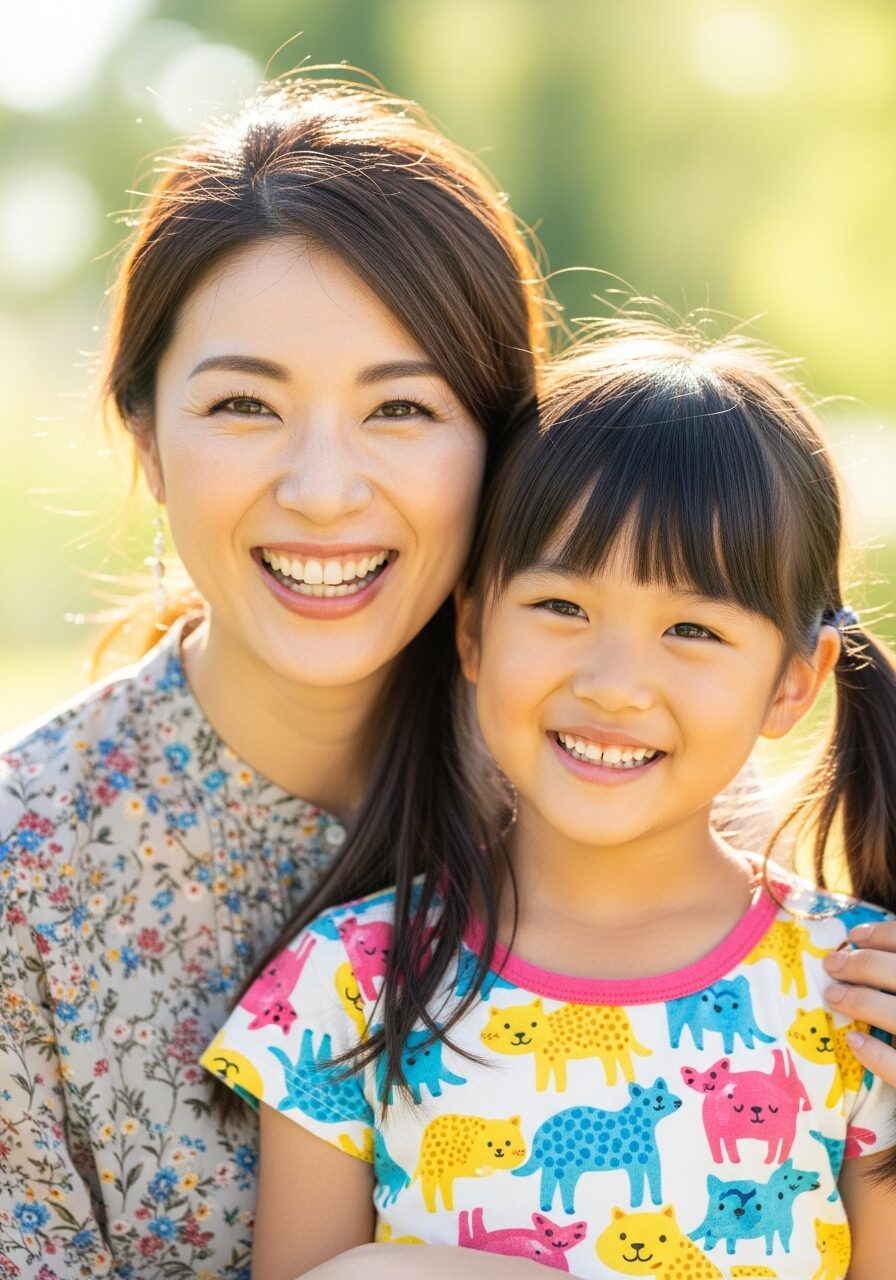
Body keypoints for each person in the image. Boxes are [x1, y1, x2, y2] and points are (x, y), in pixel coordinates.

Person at [206, 324, 896, 1280]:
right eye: (562, 608)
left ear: (793, 681)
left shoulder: (859, 997)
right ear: (476, 629)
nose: (614, 684)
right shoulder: (350, 986)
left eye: (692, 628)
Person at [0, 74, 548, 1278]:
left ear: (502, 446)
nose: (321, 489)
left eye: (400, 406)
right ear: (145, 437)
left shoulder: (615, 783)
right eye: (245, 403)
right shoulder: (24, 882)